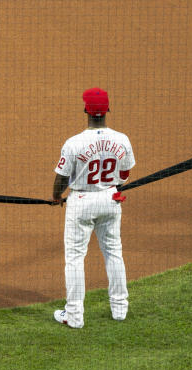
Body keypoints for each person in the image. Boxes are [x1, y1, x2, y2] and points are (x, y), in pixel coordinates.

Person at [50, 88, 135, 329]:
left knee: (75, 258)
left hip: (81, 202)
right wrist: (112, 185)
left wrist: (56, 196)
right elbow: (125, 174)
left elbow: (61, 178)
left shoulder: (74, 143)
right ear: (108, 109)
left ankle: (74, 316)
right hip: (111, 198)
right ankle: (120, 309)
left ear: (85, 110)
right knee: (114, 252)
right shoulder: (122, 139)